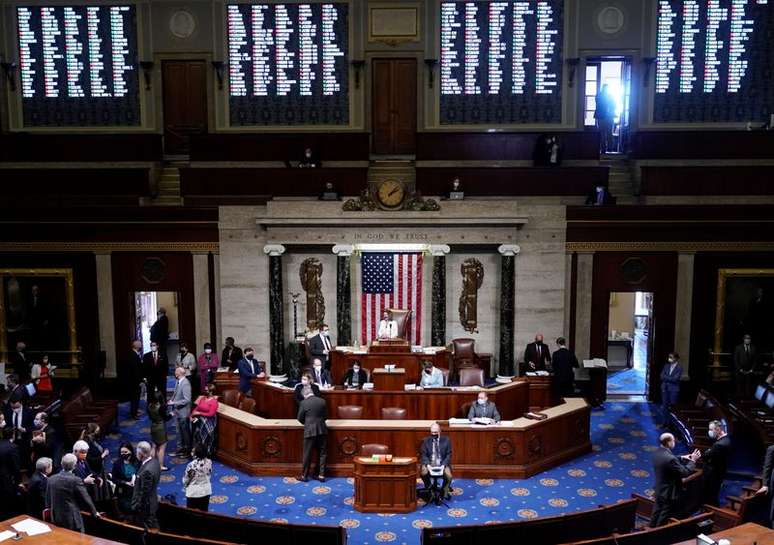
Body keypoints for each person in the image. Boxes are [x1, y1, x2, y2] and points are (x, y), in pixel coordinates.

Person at [650, 432, 697, 527]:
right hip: (669, 492)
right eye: (673, 441)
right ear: (668, 442)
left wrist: (681, 457)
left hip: (659, 489)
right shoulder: (670, 459)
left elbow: (667, 460)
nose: (674, 442)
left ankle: (650, 528)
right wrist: (693, 461)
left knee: (656, 511)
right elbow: (684, 472)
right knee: (663, 516)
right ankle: (657, 534)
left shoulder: (657, 453)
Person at [46, 453, 100, 532]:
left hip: (56, 517)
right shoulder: (76, 480)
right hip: (72, 520)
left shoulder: (51, 479)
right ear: (75, 466)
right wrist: (94, 513)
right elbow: (86, 499)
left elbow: (48, 501)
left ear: (61, 463)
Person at [696, 420, 731, 506]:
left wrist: (705, 454)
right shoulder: (727, 439)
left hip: (712, 475)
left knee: (711, 497)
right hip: (720, 472)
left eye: (711, 430)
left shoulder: (718, 445)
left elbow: (706, 457)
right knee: (714, 494)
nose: (710, 432)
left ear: (718, 429)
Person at [297, 390, 328, 482]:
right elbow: (326, 416)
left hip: (310, 430)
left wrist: (307, 423)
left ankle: (304, 476)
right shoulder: (322, 401)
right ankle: (321, 475)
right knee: (322, 453)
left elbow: (299, 418)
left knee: (307, 454)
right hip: (322, 429)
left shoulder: (304, 403)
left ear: (304, 395)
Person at [132, 441, 160, 530]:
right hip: (153, 499)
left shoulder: (147, 471)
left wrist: (137, 506)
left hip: (146, 507)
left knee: (148, 527)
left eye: (137, 452)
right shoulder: (155, 462)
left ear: (141, 454)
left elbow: (144, 493)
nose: (136, 454)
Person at [420, 422, 453, 499]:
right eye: (432, 432)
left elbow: (449, 454)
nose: (433, 434)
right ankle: (430, 489)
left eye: (435, 432)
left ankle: (444, 491)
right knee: (423, 472)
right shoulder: (426, 441)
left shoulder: (446, 440)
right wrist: (428, 465)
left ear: (439, 431)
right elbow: (423, 454)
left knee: (449, 476)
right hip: (430, 463)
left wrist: (443, 465)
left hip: (442, 464)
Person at [168, 367, 192, 458]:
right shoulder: (178, 381)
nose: (174, 373)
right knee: (178, 432)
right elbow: (175, 394)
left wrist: (174, 402)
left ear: (179, 373)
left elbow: (187, 399)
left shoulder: (185, 383)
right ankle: (180, 449)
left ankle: (187, 451)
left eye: (175, 371)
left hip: (183, 413)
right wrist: (171, 400)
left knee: (185, 433)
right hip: (177, 412)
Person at [111, 441, 139, 514]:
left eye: (125, 452)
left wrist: (135, 479)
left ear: (130, 451)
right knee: (127, 508)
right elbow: (114, 479)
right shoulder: (117, 463)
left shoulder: (136, 461)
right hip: (123, 490)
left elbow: (140, 473)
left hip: (136, 490)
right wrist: (125, 483)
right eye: (121, 452)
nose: (123, 454)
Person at [191, 384, 219, 456]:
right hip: (199, 419)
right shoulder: (202, 398)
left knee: (205, 437)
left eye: (206, 390)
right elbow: (197, 408)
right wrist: (192, 415)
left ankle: (206, 453)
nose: (205, 391)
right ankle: (197, 451)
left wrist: (199, 413)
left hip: (209, 421)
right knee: (197, 435)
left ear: (211, 392)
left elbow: (211, 414)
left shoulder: (214, 402)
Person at [182, 443, 212, 511]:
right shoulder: (209, 462)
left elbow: (186, 480)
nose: (191, 453)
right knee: (204, 512)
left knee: (190, 513)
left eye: (193, 451)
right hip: (206, 491)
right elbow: (209, 474)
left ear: (196, 454)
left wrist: (185, 485)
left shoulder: (191, 465)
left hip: (193, 493)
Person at [0, 428, 20, 520]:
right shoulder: (13, 447)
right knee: (9, 506)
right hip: (6, 479)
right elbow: (16, 467)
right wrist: (18, 482)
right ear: (13, 435)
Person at [147, 391, 169, 471]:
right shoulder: (161, 407)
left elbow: (150, 417)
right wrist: (171, 415)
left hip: (153, 426)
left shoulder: (149, 406)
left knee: (154, 446)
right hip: (160, 427)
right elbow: (166, 418)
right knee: (162, 447)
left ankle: (152, 464)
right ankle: (160, 465)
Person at [660, 352, 683, 425]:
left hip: (674, 390)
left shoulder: (679, 367)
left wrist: (666, 377)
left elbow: (675, 379)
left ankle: (672, 424)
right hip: (665, 388)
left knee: (672, 408)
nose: (669, 358)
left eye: (671, 357)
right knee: (664, 407)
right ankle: (665, 422)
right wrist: (668, 378)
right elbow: (661, 376)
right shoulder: (666, 365)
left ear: (676, 358)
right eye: (669, 357)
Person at [733, 334, 758, 399]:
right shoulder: (738, 347)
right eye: (746, 339)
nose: (747, 340)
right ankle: (739, 400)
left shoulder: (753, 348)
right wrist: (740, 369)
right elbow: (735, 360)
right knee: (739, 387)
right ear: (743, 339)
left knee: (748, 388)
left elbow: (755, 360)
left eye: (749, 339)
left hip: (749, 371)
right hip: (740, 371)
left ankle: (747, 401)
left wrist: (752, 369)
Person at [594, 83, 616, 153]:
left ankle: (604, 149)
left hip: (601, 117)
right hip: (608, 117)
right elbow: (614, 106)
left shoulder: (598, 96)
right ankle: (609, 148)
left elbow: (598, 104)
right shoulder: (610, 96)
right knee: (609, 133)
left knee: (602, 133)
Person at [125, 340, 144, 419]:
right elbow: (135, 371)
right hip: (134, 382)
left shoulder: (135, 354)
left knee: (136, 398)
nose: (141, 344)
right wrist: (139, 381)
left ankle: (135, 411)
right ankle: (134, 414)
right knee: (135, 398)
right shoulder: (133, 355)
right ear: (135, 345)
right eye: (139, 343)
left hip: (134, 381)